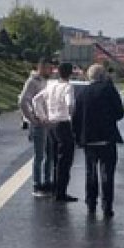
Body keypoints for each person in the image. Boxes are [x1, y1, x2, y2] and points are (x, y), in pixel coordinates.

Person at [74, 65, 124, 218]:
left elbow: (76, 117)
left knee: (90, 172)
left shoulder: (82, 93)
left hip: (88, 140)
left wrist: (78, 137)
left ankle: (91, 203)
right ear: (103, 76)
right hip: (106, 138)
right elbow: (119, 113)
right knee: (107, 173)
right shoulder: (109, 90)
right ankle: (107, 205)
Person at [33, 62, 78, 203]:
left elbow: (36, 100)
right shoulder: (68, 87)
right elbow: (70, 103)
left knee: (54, 159)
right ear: (70, 74)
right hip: (63, 124)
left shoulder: (51, 85)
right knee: (65, 160)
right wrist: (72, 117)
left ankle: (55, 189)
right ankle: (61, 193)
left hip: (51, 125)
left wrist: (43, 117)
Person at [19, 60, 55, 198]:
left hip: (47, 122)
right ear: (41, 68)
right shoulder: (33, 82)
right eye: (48, 68)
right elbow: (23, 100)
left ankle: (47, 182)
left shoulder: (45, 82)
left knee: (50, 154)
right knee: (39, 155)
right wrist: (32, 119)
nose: (51, 71)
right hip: (39, 124)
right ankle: (37, 184)